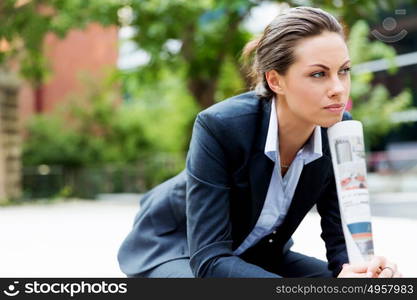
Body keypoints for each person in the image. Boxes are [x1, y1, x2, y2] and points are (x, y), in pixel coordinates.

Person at [118, 6, 401, 278]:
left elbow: (343, 248)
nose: (338, 89)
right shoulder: (221, 126)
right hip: (177, 249)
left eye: (344, 70)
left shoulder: (339, 131)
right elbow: (209, 260)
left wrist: (366, 273)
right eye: (318, 74)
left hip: (258, 254)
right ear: (276, 81)